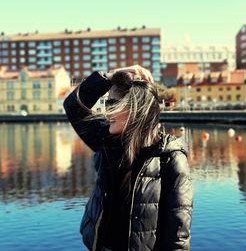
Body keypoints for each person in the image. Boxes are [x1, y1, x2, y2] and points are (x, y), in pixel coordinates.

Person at [63, 65, 193, 251]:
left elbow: (177, 238)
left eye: (113, 104)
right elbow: (73, 106)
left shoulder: (170, 158)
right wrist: (109, 76)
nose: (107, 112)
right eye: (107, 103)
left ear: (136, 108)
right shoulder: (107, 142)